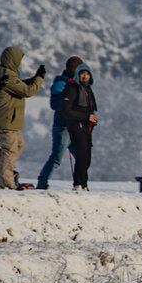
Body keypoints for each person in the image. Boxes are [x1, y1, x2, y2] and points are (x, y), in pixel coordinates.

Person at [0, 47, 45, 189]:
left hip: (10, 121)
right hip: (7, 120)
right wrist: (39, 78)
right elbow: (27, 91)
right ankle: (7, 182)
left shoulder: (5, 73)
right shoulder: (7, 75)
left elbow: (19, 84)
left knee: (19, 145)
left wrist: (34, 77)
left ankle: (5, 171)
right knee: (9, 150)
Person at [36, 56, 84, 189]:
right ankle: (42, 183)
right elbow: (55, 104)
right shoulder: (60, 84)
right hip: (62, 127)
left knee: (82, 157)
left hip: (75, 127)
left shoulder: (78, 84)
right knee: (56, 158)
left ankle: (81, 184)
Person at [61, 63, 98, 191]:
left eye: (87, 73)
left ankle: (84, 184)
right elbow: (67, 110)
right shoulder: (71, 88)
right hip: (76, 126)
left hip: (87, 127)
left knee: (87, 157)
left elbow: (90, 108)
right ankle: (78, 184)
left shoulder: (87, 89)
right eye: (82, 73)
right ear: (77, 75)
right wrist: (86, 117)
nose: (85, 76)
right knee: (82, 155)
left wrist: (91, 118)